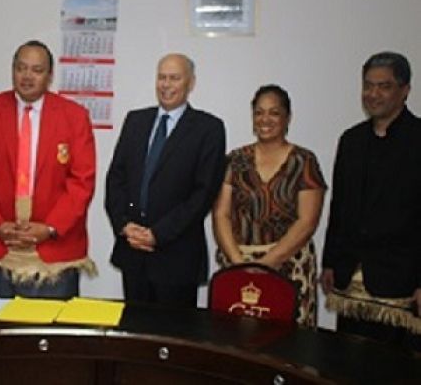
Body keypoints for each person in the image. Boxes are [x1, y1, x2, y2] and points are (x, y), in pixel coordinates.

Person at [0, 40, 96, 299]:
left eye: (37, 70)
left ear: (50, 76)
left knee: (49, 335)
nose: (27, 76)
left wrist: (50, 228)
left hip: (54, 250)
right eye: (21, 68)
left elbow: (82, 181)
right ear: (12, 70)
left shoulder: (74, 116)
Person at [105, 53, 225, 307]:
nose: (166, 84)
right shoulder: (136, 121)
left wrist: (158, 234)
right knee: (135, 337)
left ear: (190, 83)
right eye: (161, 77)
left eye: (174, 78)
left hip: (177, 258)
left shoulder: (209, 129)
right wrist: (125, 225)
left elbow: (203, 194)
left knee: (174, 338)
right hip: (133, 253)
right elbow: (116, 179)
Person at [321, 52, 421, 349]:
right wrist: (330, 262)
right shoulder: (351, 140)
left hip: (401, 279)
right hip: (350, 275)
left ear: (405, 90)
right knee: (346, 365)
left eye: (384, 86)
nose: (373, 94)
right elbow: (339, 207)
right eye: (368, 85)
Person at [212, 85, 326, 327]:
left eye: (274, 113)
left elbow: (307, 222)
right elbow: (221, 214)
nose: (265, 120)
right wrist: (239, 264)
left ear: (288, 118)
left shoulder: (304, 161)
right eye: (259, 112)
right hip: (238, 264)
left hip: (288, 269)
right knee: (236, 343)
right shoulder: (235, 159)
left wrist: (267, 264)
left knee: (288, 350)